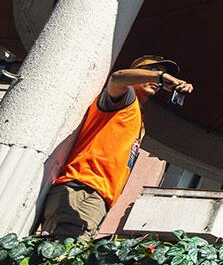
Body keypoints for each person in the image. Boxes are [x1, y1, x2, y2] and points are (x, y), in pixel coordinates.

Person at [35, 55, 194, 238]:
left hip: (99, 196)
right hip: (82, 187)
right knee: (62, 250)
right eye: (152, 70)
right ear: (138, 73)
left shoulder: (137, 117)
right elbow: (117, 78)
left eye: (160, 74)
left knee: (67, 254)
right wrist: (160, 77)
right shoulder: (125, 98)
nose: (157, 78)